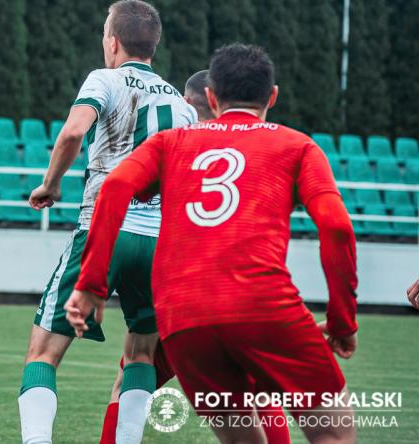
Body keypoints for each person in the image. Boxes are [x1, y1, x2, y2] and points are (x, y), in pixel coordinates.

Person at [66, 44, 359, 444]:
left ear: (211, 96)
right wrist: (342, 323)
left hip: (184, 318)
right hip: (263, 305)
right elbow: (337, 227)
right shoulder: (298, 146)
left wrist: (90, 285)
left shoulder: (169, 143)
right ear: (272, 97)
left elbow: (114, 186)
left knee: (239, 438)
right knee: (333, 433)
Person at [20, 0, 197, 444]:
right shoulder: (183, 105)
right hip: (158, 242)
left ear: (113, 41)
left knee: (43, 353)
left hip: (105, 229)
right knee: (141, 353)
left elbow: (73, 131)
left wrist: (50, 184)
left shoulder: (105, 78)